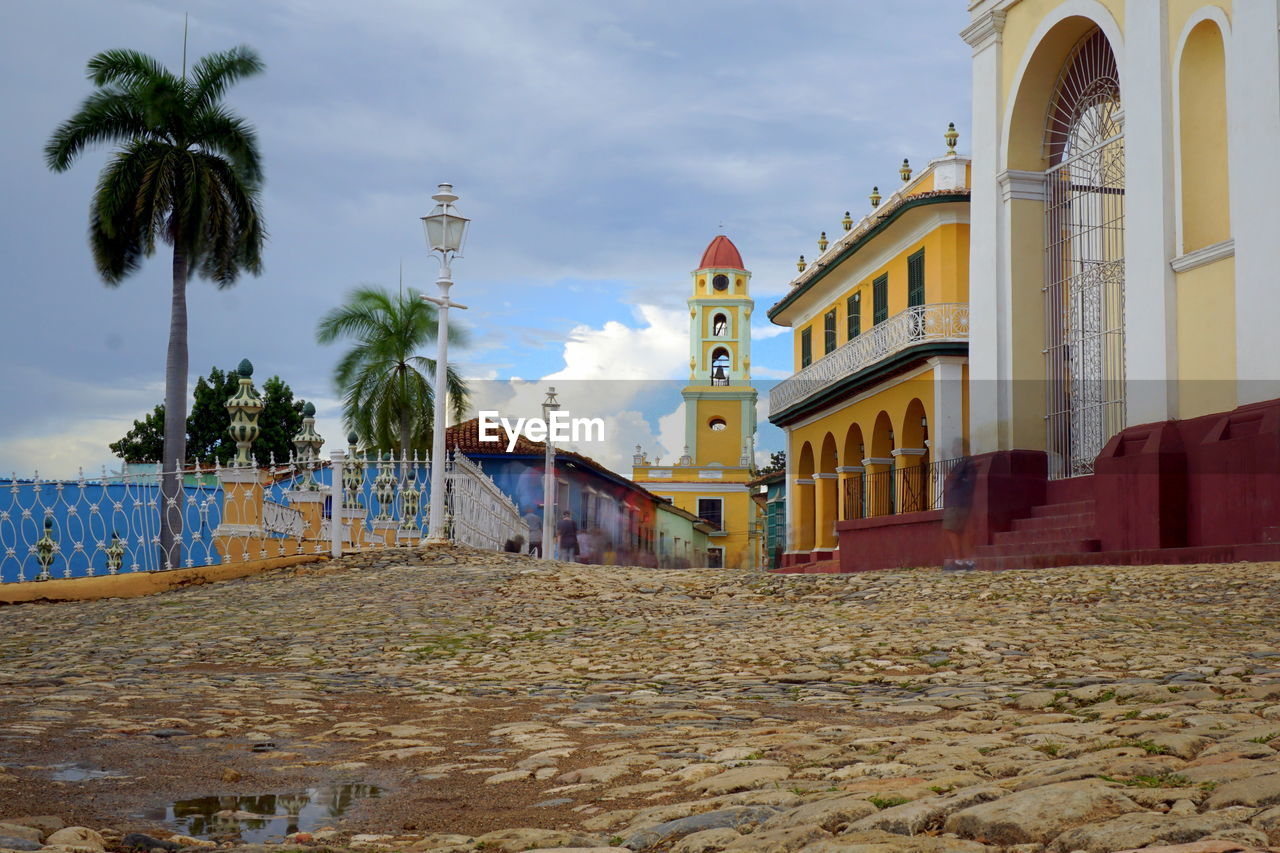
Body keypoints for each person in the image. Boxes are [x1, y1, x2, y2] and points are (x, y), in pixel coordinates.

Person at [941, 440, 977, 571]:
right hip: (960, 501)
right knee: (958, 531)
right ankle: (964, 560)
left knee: (951, 529)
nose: (953, 450)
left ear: (962, 448)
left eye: (955, 447)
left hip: (958, 502)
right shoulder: (965, 463)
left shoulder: (965, 463)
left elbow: (953, 479)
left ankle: (960, 560)